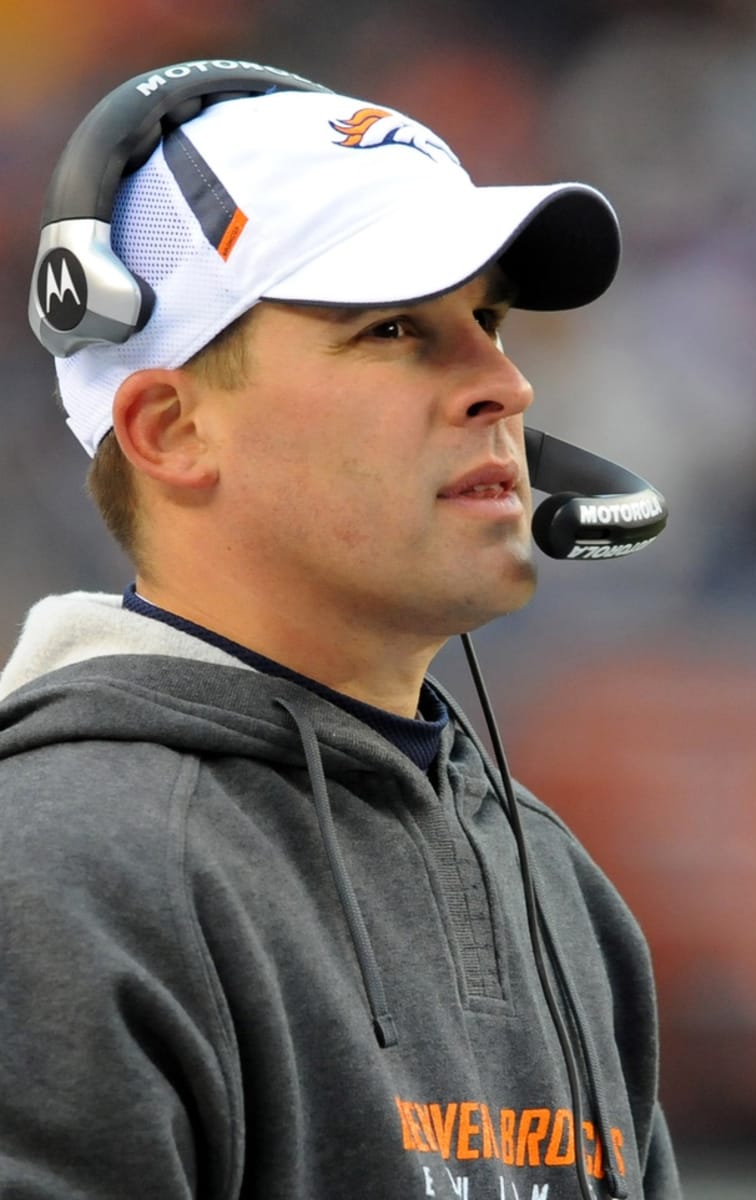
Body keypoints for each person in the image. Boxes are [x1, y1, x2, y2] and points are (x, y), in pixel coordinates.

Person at [0, 61, 679, 1200]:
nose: (505, 384)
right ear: (169, 428)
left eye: (490, 320)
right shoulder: (57, 872)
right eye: (396, 329)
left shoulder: (551, 875)